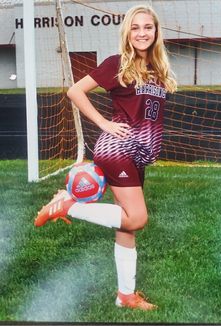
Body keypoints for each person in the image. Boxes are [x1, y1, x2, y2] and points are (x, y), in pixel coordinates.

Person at [34, 4, 177, 310]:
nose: (142, 33)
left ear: (156, 31)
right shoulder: (117, 64)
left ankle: (125, 296)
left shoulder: (158, 69)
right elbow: (75, 91)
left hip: (136, 154)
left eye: (147, 27)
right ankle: (68, 205)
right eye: (135, 27)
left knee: (125, 227)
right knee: (137, 218)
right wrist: (103, 124)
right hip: (117, 149)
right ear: (127, 32)